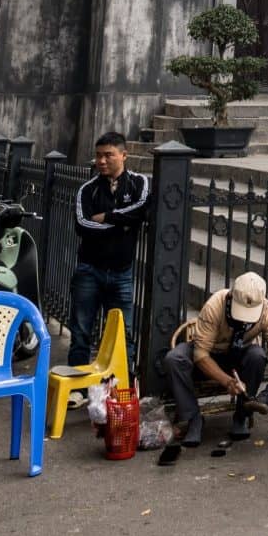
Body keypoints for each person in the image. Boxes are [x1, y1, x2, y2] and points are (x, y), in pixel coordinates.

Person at [159, 272, 268, 462]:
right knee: (174, 359)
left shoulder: (267, 311)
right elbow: (200, 354)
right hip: (209, 352)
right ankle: (193, 418)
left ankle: (242, 415)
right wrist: (227, 381)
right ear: (231, 297)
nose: (244, 320)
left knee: (257, 355)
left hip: (237, 355)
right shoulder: (216, 304)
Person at [68, 131, 149, 384]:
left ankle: (122, 385)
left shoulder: (138, 184)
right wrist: (122, 224)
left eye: (108, 155)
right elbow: (82, 225)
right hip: (89, 270)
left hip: (122, 272)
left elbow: (142, 209)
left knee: (123, 333)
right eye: (98, 155)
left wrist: (107, 217)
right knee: (81, 331)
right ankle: (78, 387)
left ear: (124, 155)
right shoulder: (87, 190)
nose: (101, 161)